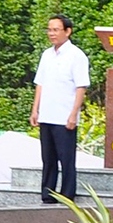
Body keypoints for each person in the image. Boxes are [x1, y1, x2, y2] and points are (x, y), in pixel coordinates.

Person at [29, 14, 89, 204]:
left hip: (64, 116)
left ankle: (67, 193)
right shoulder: (47, 55)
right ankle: (48, 193)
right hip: (47, 114)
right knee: (48, 158)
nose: (51, 33)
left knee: (66, 158)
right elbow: (40, 84)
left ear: (67, 31)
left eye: (56, 29)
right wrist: (35, 109)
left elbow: (81, 87)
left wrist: (73, 114)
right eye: (49, 29)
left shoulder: (76, 56)